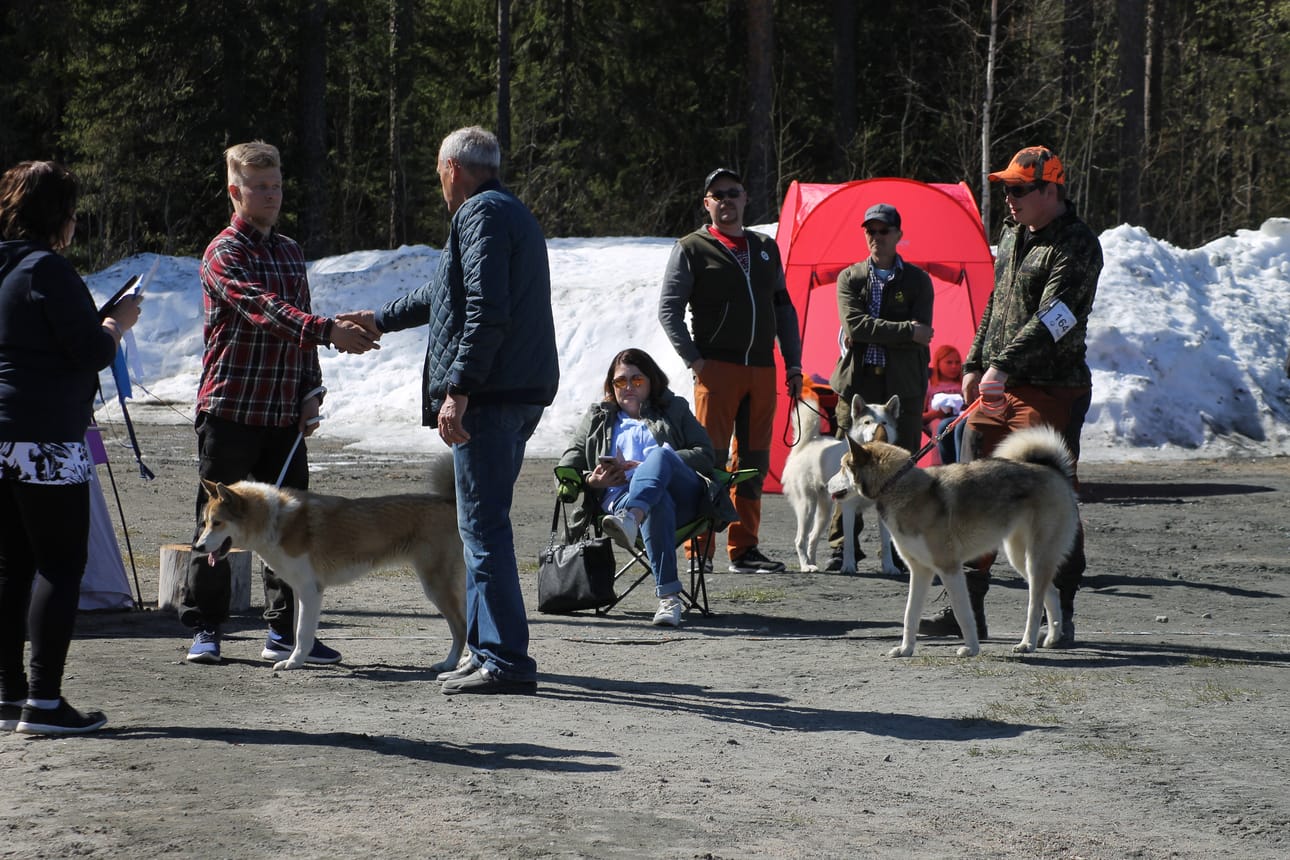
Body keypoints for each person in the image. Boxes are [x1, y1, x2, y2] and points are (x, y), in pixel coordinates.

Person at [339, 126, 558, 695]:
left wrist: (458, 388)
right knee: (479, 524)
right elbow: (444, 294)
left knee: (483, 529)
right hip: (513, 391)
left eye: (438, 171)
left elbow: (486, 312)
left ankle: (506, 661)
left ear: (452, 169)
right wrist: (380, 319)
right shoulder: (505, 212)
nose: (439, 181)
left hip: (490, 394)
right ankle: (487, 650)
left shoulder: (479, 215)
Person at [180, 141, 378, 666]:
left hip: (284, 415)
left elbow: (301, 326)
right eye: (259, 187)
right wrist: (329, 330)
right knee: (216, 520)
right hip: (230, 408)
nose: (270, 196)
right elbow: (263, 309)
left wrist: (311, 392)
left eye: (276, 186)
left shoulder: (290, 250)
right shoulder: (223, 252)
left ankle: (287, 634)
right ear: (235, 191)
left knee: (290, 527)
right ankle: (207, 627)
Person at [919, 145, 1102, 644]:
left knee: (1049, 497)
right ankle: (965, 611)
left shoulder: (1078, 246)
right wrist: (978, 362)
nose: (1009, 198)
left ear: (1050, 189)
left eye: (1019, 189)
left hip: (1049, 386)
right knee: (971, 491)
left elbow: (1055, 320)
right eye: (1006, 188)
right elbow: (995, 307)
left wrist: (1001, 364)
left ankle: (1057, 613)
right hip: (999, 385)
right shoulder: (1013, 234)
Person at [0, 161, 141, 734]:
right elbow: (87, 352)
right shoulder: (49, 269)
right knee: (60, 564)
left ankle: (9, 692)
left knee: (12, 565)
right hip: (47, 439)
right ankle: (46, 701)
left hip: (2, 435)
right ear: (61, 216)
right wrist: (117, 325)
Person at [659, 167, 803, 574]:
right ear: (707, 203)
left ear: (745, 199)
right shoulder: (692, 247)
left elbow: (783, 308)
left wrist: (792, 363)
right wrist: (695, 359)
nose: (726, 200)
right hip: (716, 369)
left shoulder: (764, 247)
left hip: (761, 369)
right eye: (717, 194)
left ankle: (744, 548)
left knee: (753, 461)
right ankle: (698, 550)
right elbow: (668, 309)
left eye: (733, 192)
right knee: (710, 461)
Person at [559, 348, 734, 627]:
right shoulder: (597, 418)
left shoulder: (674, 409)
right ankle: (669, 599)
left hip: (684, 501)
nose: (628, 387)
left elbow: (705, 453)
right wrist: (592, 481)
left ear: (651, 381)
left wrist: (651, 465)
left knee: (661, 456)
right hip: (622, 500)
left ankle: (631, 518)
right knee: (657, 502)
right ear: (611, 385)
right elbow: (566, 467)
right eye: (620, 381)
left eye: (637, 380)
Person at [823, 203, 934, 572]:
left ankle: (905, 548)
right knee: (850, 465)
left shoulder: (918, 280)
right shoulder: (849, 278)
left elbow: (925, 332)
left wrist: (877, 329)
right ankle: (843, 546)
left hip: (900, 391)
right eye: (870, 230)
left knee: (903, 469)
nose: (876, 237)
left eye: (884, 230)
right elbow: (855, 327)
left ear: (899, 235)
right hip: (857, 387)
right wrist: (904, 331)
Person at [922, 344, 966, 464]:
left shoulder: (963, 383)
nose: (954, 366)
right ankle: (938, 463)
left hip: (959, 417)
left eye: (957, 362)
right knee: (939, 425)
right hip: (935, 419)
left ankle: (962, 462)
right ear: (938, 363)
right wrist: (936, 413)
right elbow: (921, 417)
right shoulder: (930, 384)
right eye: (949, 362)